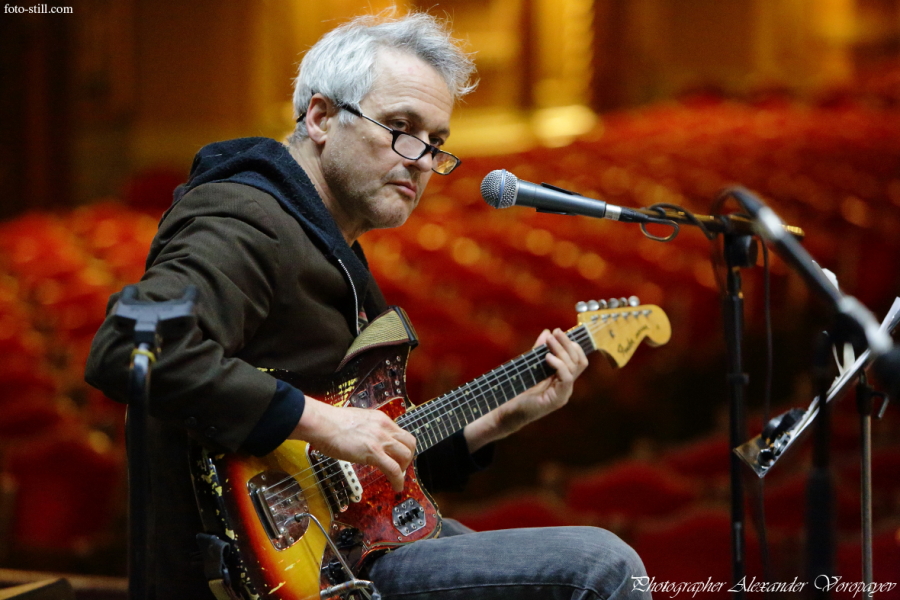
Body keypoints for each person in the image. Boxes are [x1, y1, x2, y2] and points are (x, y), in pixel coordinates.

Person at [86, 12, 651, 600]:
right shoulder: (244, 219)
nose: (422, 160)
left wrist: (495, 422)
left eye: (436, 143)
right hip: (264, 576)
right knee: (605, 567)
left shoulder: (323, 235)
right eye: (402, 128)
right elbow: (130, 349)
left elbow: (346, 472)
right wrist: (324, 421)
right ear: (321, 116)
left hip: (347, 546)